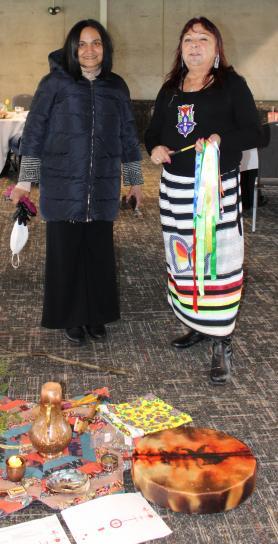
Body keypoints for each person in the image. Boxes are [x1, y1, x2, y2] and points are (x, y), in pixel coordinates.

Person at [11, 19, 143, 346]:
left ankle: (96, 316)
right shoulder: (55, 84)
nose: (88, 50)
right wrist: (25, 182)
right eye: (81, 43)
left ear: (105, 48)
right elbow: (34, 135)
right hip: (61, 185)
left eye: (95, 43)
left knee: (98, 255)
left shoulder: (116, 86)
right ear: (72, 48)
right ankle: (72, 317)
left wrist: (135, 182)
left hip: (101, 186)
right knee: (66, 255)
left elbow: (128, 136)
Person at [145, 16, 262, 384]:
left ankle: (221, 341)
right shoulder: (170, 89)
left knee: (218, 266)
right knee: (184, 262)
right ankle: (196, 324)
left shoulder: (231, 85)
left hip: (216, 193)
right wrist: (156, 148)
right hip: (175, 193)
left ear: (216, 49)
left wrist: (219, 139)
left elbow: (257, 133)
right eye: (188, 40)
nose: (194, 45)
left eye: (203, 39)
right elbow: (151, 133)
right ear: (181, 49)